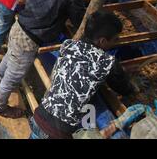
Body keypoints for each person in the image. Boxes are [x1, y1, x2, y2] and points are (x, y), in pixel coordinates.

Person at [0, 0, 91, 118]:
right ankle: (0, 107)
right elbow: (78, 21)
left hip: (19, 26)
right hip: (30, 38)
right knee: (14, 75)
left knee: (10, 56)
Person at [29, 10, 135, 139]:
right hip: (57, 132)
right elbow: (123, 88)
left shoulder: (68, 44)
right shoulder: (108, 62)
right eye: (115, 39)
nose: (116, 42)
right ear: (102, 41)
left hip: (39, 116)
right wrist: (132, 85)